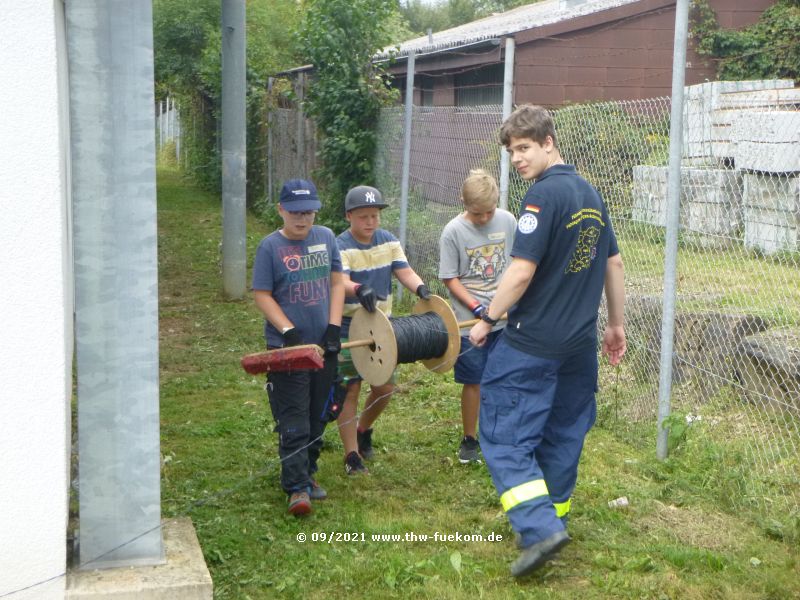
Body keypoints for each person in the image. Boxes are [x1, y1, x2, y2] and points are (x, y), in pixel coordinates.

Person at [468, 105, 626, 578]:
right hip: (579, 347)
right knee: (563, 433)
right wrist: (615, 325)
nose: (517, 159)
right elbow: (613, 265)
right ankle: (552, 518)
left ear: (548, 143)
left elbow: (521, 270)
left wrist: (486, 319)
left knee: (503, 435)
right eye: (512, 151)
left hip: (531, 344)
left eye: (524, 148)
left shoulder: (541, 198)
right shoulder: (591, 194)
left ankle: (539, 529)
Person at [252, 179, 345, 517]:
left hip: (324, 346)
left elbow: (336, 281)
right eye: (295, 212)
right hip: (287, 349)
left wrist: (334, 326)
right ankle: (297, 488)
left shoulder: (326, 238)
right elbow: (262, 293)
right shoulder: (269, 247)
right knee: (293, 418)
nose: (302, 219)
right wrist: (288, 331)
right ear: (281, 210)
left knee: (318, 414)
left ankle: (308, 471)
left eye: (308, 212)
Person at [336, 185, 431, 475]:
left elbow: (404, 271)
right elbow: (339, 281)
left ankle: (364, 429)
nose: (370, 222)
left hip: (381, 328)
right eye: (363, 216)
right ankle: (352, 455)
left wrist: (421, 288)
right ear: (349, 216)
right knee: (350, 389)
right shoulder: (340, 246)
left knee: (385, 386)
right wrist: (357, 289)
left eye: (374, 216)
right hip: (349, 327)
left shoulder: (388, 241)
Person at [438, 169, 516, 464]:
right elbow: (450, 278)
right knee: (474, 380)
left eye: (489, 212)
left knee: (506, 377)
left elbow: (520, 264)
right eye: (477, 213)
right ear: (463, 203)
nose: (484, 218)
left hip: (506, 317)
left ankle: (502, 434)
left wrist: (504, 306)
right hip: (469, 321)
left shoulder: (508, 221)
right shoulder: (453, 232)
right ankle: (470, 439)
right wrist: (476, 308)